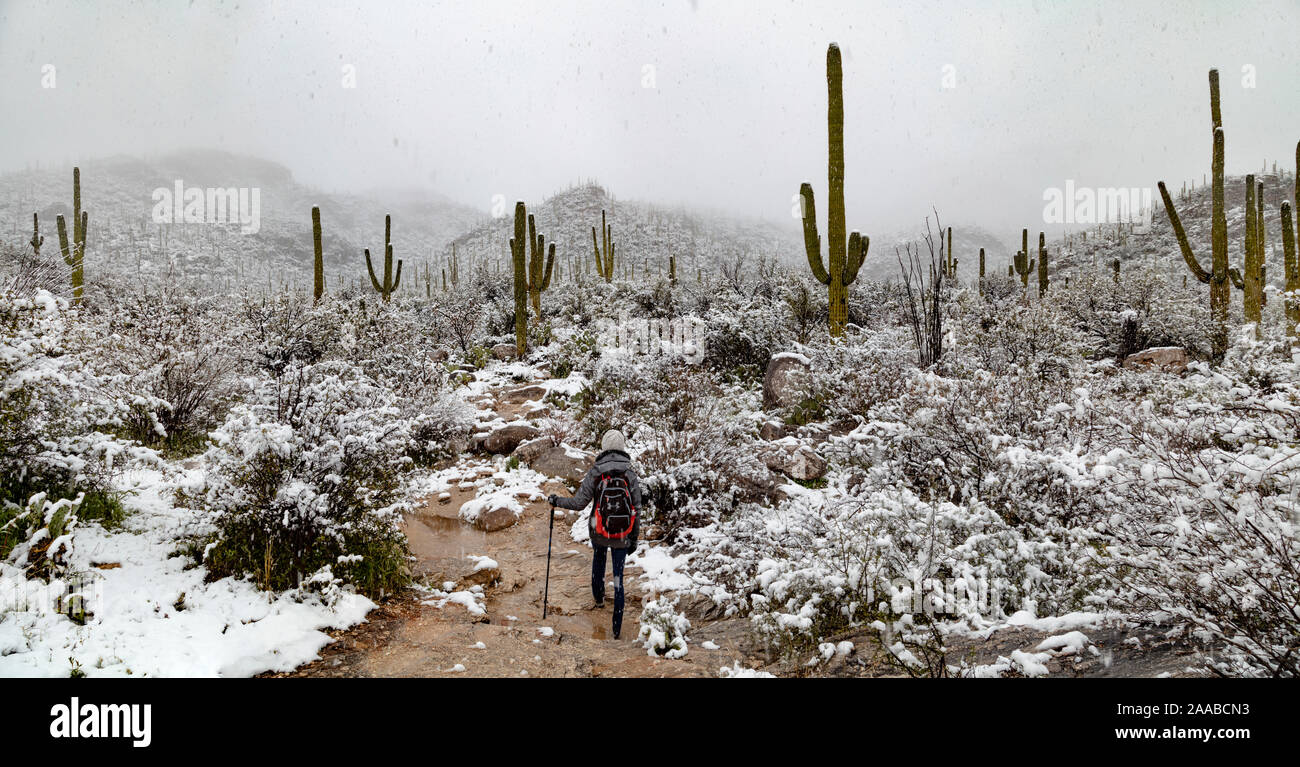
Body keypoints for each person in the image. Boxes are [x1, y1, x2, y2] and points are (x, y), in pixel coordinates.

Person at [548, 429, 641, 640]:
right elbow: (636, 508)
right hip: (622, 533)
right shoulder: (630, 472)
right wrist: (634, 537)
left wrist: (557, 501)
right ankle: (616, 628)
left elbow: (579, 503)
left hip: (599, 529)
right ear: (622, 447)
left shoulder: (596, 471)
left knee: (598, 561)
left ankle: (599, 598)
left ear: (604, 447)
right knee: (619, 578)